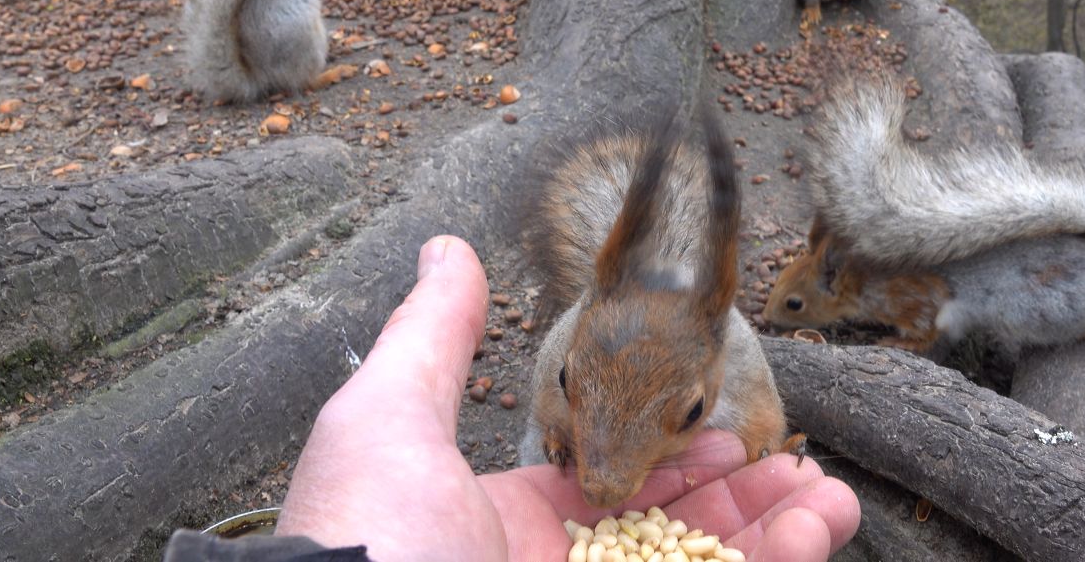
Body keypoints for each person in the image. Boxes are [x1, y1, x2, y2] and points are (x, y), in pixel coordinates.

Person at [164, 236, 861, 561]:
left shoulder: (730, 354)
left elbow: (762, 412)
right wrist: (562, 427)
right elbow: (553, 383)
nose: (600, 484)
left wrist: (764, 445)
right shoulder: (574, 344)